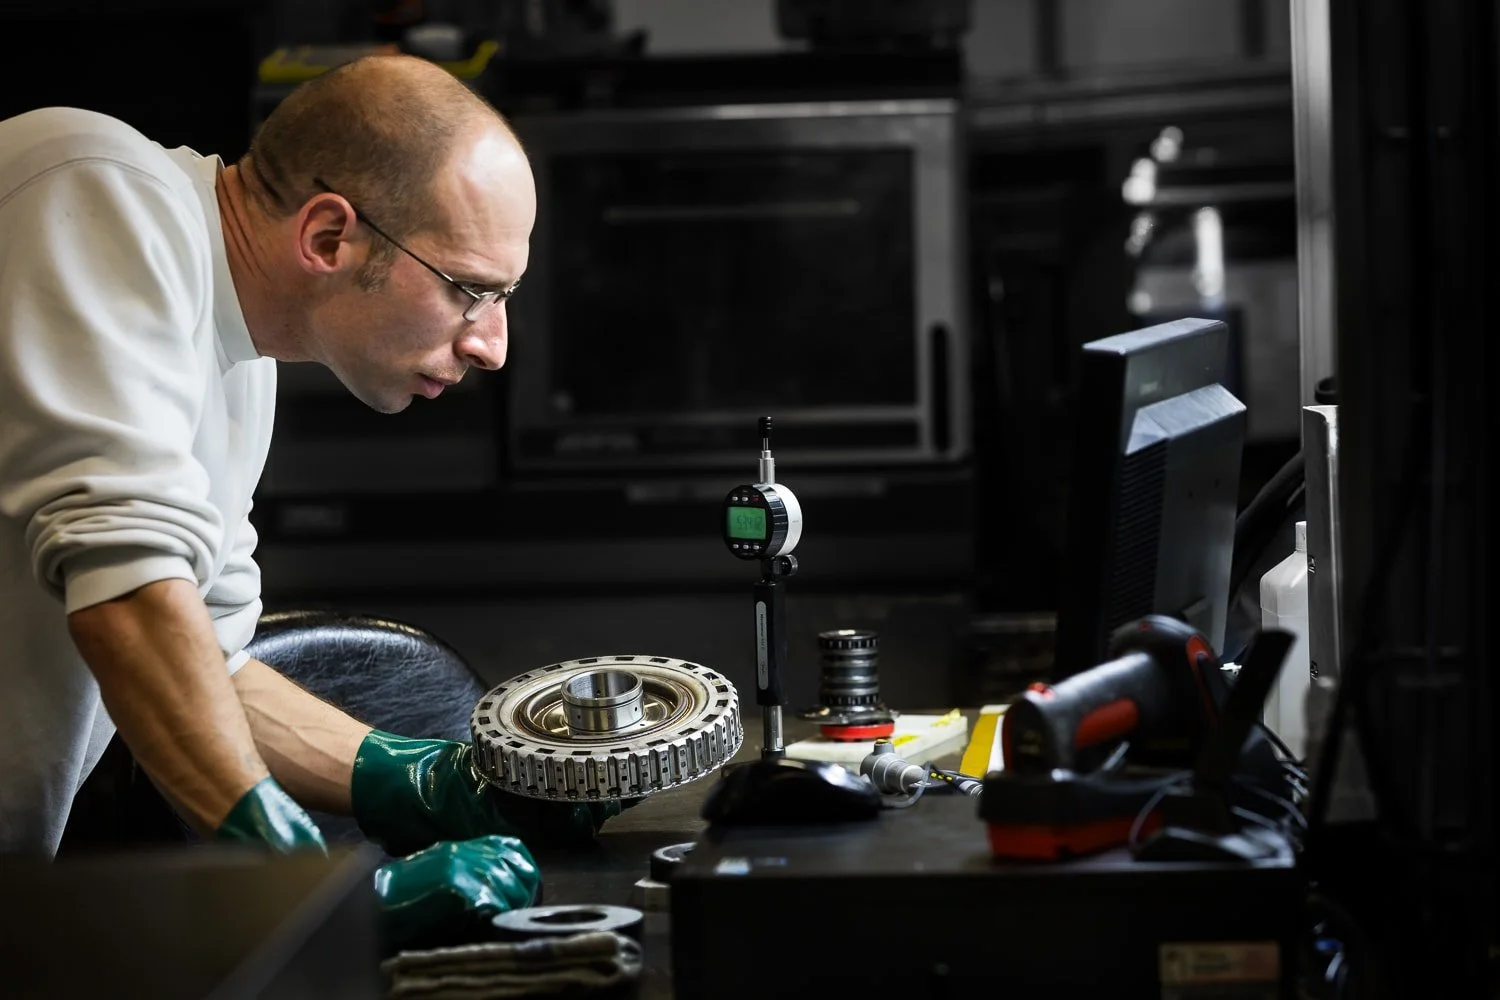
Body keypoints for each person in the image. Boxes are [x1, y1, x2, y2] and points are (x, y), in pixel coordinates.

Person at [0, 54, 613, 942]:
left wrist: (427, 780)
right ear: (328, 238)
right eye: (470, 291)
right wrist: (299, 886)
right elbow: (127, 598)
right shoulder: (91, 185)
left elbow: (205, 662)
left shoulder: (241, 364)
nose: (492, 345)